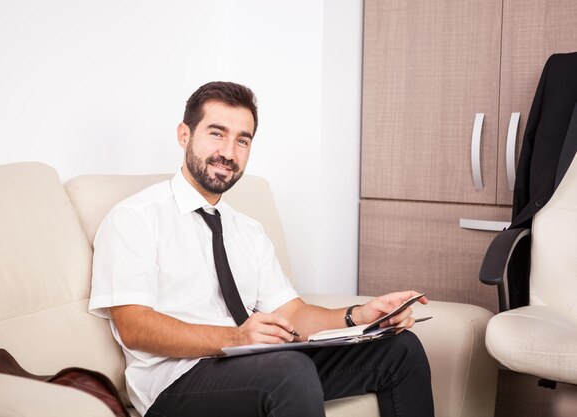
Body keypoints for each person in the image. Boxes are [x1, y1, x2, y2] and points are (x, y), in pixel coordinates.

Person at [89, 81, 434, 417]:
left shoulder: (246, 230)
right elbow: (134, 326)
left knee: (399, 349)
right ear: (184, 135)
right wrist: (237, 337)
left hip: (256, 364)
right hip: (175, 381)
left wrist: (359, 316)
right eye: (216, 133)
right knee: (289, 369)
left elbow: (293, 315)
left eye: (242, 140)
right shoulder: (135, 218)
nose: (228, 152)